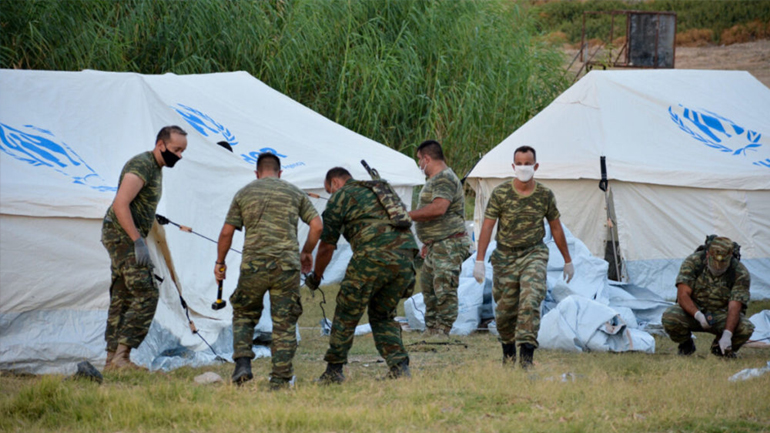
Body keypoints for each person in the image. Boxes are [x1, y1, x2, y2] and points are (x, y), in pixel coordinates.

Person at [215, 152, 322, 388]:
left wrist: (219, 262)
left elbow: (226, 232)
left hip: (253, 265)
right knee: (284, 322)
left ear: (257, 173)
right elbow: (317, 226)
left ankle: (242, 363)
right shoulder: (294, 192)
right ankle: (281, 379)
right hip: (286, 266)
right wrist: (306, 252)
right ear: (280, 173)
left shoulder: (244, 193)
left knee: (244, 313)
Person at [307, 167, 418, 383]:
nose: (331, 194)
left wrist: (317, 276)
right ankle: (399, 368)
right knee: (383, 315)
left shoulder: (341, 195)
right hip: (406, 256)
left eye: (330, 190)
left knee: (347, 312)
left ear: (335, 183)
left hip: (373, 255)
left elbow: (326, 245)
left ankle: (334, 371)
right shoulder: (379, 188)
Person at [474, 145, 574, 369]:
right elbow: (488, 227)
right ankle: (508, 352)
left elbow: (556, 228)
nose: (523, 168)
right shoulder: (501, 193)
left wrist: (568, 260)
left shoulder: (545, 195)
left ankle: (527, 357)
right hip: (505, 257)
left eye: (527, 163)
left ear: (536, 166)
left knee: (531, 299)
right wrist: (479, 260)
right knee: (505, 310)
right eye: (519, 164)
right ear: (513, 166)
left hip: (533, 254)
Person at [102, 125, 188, 370]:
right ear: (160, 145)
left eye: (183, 151)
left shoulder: (156, 167)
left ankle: (112, 359)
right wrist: (137, 240)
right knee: (147, 292)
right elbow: (121, 204)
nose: (180, 155)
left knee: (121, 294)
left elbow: (136, 203)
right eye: (176, 149)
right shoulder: (142, 165)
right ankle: (121, 356)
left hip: (123, 235)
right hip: (122, 236)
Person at [409, 140, 472, 336]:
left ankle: (443, 329)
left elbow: (439, 208)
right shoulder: (435, 180)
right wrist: (428, 242)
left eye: (420, 160)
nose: (420, 165)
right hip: (437, 244)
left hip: (449, 243)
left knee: (444, 287)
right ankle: (431, 327)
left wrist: (406, 216)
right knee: (429, 288)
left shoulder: (444, 179)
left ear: (427, 158)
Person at [662, 236, 754, 358]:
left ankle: (720, 349)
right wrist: (698, 315)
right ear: (707, 255)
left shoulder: (739, 272)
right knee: (670, 317)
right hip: (694, 312)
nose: (717, 267)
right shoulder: (693, 262)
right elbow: (683, 295)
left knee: (745, 328)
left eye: (722, 265)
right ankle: (686, 344)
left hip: (721, 315)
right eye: (714, 263)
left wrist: (727, 334)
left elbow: (735, 306)